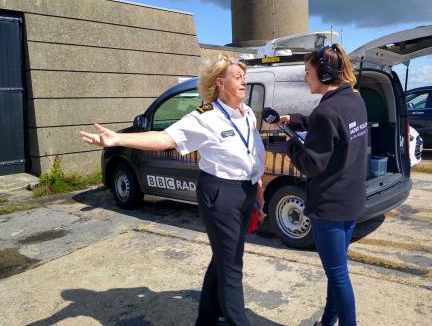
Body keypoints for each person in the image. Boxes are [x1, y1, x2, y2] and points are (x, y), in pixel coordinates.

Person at [80, 57, 265, 326]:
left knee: (224, 257)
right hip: (220, 195)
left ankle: (207, 318)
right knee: (232, 267)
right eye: (238, 77)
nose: (244, 81)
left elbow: (252, 152)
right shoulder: (205, 116)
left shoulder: (245, 112)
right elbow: (166, 138)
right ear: (220, 83)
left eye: (244, 76)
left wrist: (257, 186)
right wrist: (118, 138)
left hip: (245, 191)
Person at [277, 44, 367, 326]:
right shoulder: (354, 100)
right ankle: (328, 321)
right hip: (351, 199)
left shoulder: (326, 112)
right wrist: (295, 120)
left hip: (329, 205)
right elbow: (330, 127)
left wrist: (290, 145)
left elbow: (311, 165)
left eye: (307, 72)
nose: (305, 78)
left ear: (325, 74)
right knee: (336, 271)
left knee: (338, 275)